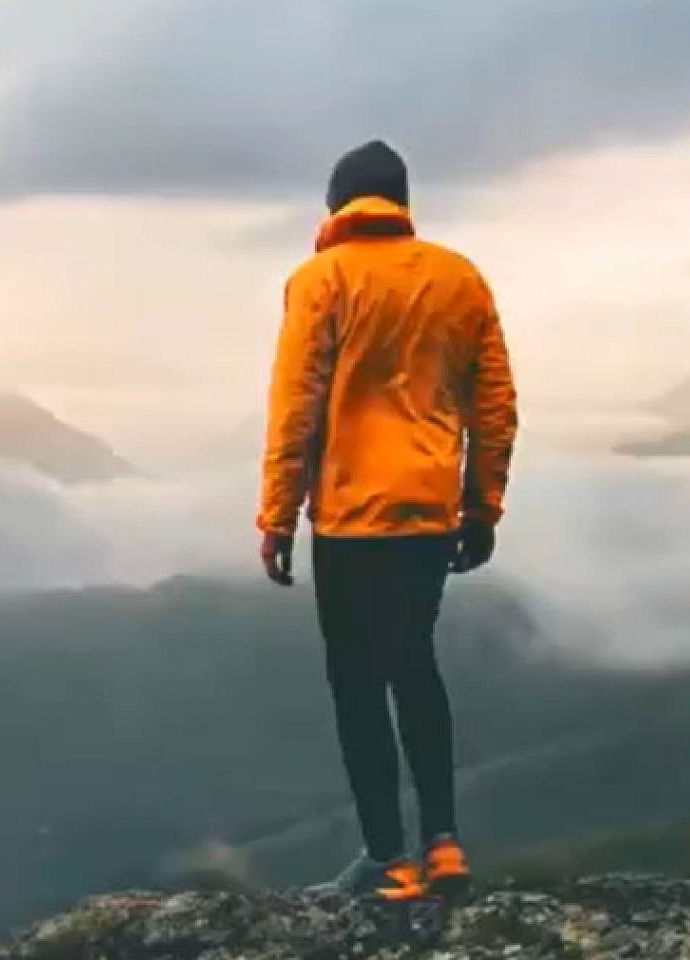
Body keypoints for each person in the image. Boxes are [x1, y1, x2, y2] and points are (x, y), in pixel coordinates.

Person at [254, 140, 519, 902]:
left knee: (358, 683)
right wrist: (483, 504)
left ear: (338, 205)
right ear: (401, 203)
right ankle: (445, 847)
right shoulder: (458, 277)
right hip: (431, 511)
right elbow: (495, 403)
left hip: (348, 518)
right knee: (416, 663)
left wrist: (277, 514)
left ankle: (387, 858)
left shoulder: (319, 280)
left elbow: (296, 404)